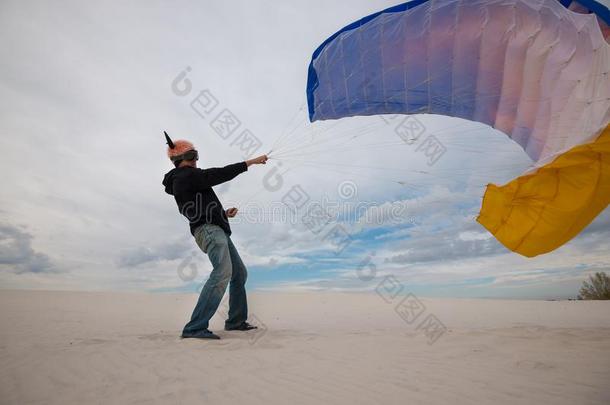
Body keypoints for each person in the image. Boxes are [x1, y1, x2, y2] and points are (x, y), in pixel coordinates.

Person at [162, 132, 268, 340]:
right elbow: (219, 174)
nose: (196, 160)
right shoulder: (185, 175)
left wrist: (223, 213)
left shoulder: (187, 180)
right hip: (209, 230)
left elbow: (197, 209)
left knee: (239, 273)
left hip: (214, 228)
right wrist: (251, 162)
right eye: (194, 156)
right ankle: (194, 327)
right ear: (185, 158)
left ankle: (236, 321)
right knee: (222, 272)